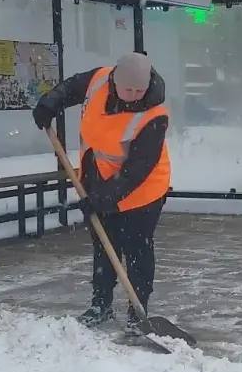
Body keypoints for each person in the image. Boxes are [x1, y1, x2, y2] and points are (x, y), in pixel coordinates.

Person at [33, 52, 170, 328]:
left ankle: (138, 309)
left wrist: (102, 199)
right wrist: (50, 103)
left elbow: (137, 170)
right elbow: (71, 87)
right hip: (98, 179)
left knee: (137, 249)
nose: (133, 95)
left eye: (139, 90)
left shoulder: (154, 116)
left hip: (143, 190)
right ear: (114, 80)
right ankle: (100, 304)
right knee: (104, 247)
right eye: (128, 89)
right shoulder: (99, 80)